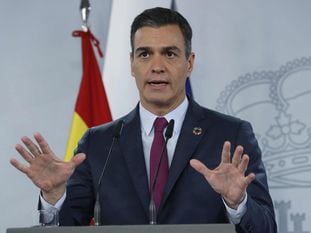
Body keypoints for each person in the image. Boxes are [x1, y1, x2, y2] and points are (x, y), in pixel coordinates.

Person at [10, 7, 277, 233]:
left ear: (190, 62)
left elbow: (267, 227)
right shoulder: (98, 142)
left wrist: (238, 203)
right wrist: (55, 196)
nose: (157, 66)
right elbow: (69, 225)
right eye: (145, 54)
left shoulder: (231, 135)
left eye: (170, 54)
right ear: (132, 63)